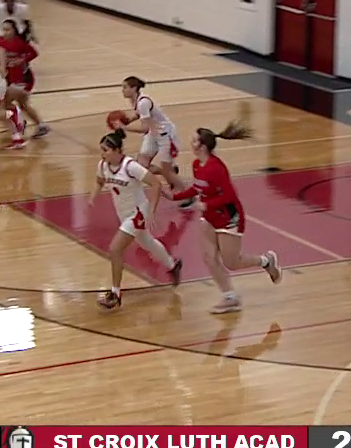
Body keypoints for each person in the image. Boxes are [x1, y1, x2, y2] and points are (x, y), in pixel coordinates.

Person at [165, 122, 281, 313]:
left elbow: (228, 196)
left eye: (194, 140)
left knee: (232, 263)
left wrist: (206, 204)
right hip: (209, 218)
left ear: (202, 146)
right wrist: (174, 196)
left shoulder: (216, 168)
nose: (190, 142)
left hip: (229, 217)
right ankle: (229, 297)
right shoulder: (197, 164)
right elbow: (198, 187)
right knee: (209, 258)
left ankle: (266, 261)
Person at [92, 129, 183, 309]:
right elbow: (99, 181)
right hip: (123, 213)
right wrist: (92, 197)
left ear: (118, 151)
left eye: (106, 150)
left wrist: (152, 211)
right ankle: (173, 266)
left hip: (138, 212)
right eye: (101, 150)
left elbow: (156, 184)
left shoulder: (130, 166)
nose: (102, 153)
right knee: (147, 242)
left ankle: (115, 294)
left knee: (115, 249)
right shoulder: (102, 165)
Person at [113, 76, 190, 208]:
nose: (123, 90)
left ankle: (188, 194)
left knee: (167, 171)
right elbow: (139, 115)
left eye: (125, 87)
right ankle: (169, 172)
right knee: (142, 165)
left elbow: (144, 128)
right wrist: (127, 120)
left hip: (164, 134)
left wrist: (124, 127)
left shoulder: (143, 102)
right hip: (153, 133)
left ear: (134, 88)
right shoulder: (136, 101)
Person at [0, 19, 37, 93]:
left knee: (21, 101)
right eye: (3, 30)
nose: (5, 32)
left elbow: (34, 53)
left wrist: (22, 60)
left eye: (7, 30)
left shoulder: (20, 43)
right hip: (5, 77)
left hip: (20, 77)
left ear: (14, 30)